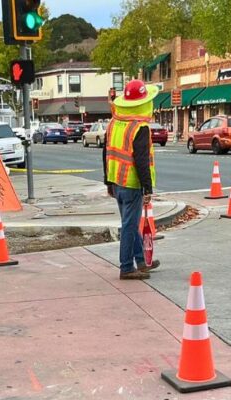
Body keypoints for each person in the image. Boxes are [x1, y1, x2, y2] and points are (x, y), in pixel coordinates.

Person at [103, 79, 160, 280]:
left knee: (131, 222)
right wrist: (148, 188)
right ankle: (126, 267)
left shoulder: (114, 123)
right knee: (129, 225)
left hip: (117, 181)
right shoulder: (140, 128)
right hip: (132, 184)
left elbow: (106, 152)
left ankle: (141, 260)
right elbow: (142, 160)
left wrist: (108, 181)